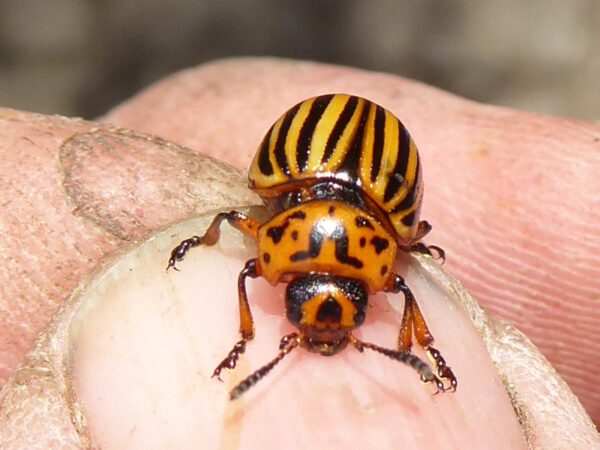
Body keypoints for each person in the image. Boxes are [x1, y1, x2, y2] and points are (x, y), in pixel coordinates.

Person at [0, 58, 598, 448]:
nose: (322, 328)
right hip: (346, 179)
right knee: (388, 277)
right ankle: (427, 349)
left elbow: (244, 247)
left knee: (243, 231)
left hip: (329, 168)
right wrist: (422, 349)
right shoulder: (377, 259)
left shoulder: (300, 245)